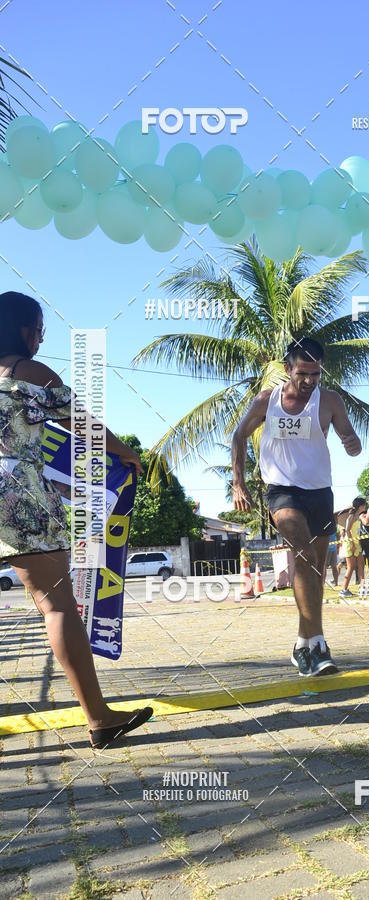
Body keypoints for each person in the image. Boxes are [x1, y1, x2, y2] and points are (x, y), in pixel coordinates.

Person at [0, 291, 153, 747]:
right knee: (57, 606)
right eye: (40, 326)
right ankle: (100, 718)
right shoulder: (26, 372)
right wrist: (125, 452)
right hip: (19, 495)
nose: (43, 335)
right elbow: (81, 423)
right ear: (23, 329)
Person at [232, 337, 362, 676]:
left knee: (315, 570)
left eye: (315, 374)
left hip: (320, 493)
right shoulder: (267, 401)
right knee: (302, 554)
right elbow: (239, 436)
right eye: (302, 373)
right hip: (281, 492)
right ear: (288, 369)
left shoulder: (329, 401)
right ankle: (317, 644)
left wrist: (352, 443)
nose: (308, 381)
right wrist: (238, 482)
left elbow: (351, 440)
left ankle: (303, 645)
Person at [339, 497, 366, 597]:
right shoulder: (351, 516)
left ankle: (362, 588)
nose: (365, 507)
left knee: (361, 565)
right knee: (351, 567)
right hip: (350, 543)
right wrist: (352, 544)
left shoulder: (358, 516)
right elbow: (348, 531)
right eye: (364, 505)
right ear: (360, 506)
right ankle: (344, 590)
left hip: (356, 542)